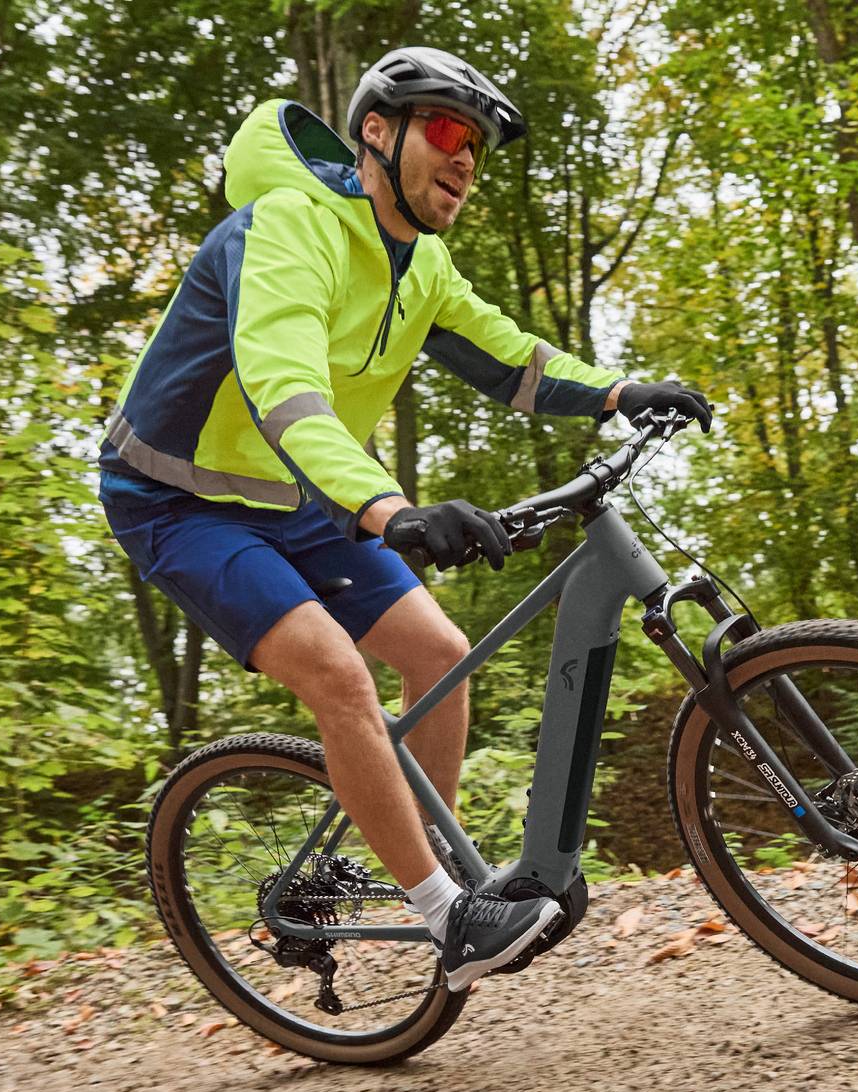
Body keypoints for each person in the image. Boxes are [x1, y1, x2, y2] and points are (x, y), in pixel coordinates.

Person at [98, 46, 710, 992]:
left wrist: (622, 392)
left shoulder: (422, 264)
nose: (468, 159)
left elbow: (516, 362)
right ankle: (447, 915)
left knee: (438, 653)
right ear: (377, 132)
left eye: (480, 147)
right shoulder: (289, 227)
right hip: (178, 500)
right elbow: (284, 387)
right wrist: (391, 510)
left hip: (297, 492)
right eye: (450, 131)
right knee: (341, 677)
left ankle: (436, 870)